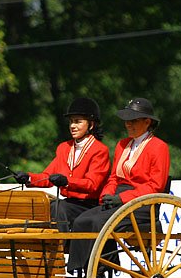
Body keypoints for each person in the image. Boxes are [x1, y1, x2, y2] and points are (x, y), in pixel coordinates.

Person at [66, 97, 170, 278]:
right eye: (127, 120)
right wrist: (107, 195)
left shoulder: (159, 147)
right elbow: (113, 177)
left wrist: (122, 198)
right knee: (81, 220)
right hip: (118, 199)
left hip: (142, 204)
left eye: (134, 120)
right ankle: (81, 271)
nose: (128, 124)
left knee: (99, 223)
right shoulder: (122, 145)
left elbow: (155, 186)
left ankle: (100, 271)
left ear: (147, 122)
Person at [14, 97, 110, 231]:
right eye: (71, 122)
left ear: (91, 125)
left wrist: (67, 182)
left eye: (78, 122)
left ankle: (60, 245)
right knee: (47, 206)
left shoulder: (99, 150)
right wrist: (28, 178)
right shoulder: (64, 148)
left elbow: (92, 185)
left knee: (58, 207)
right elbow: (47, 176)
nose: (72, 126)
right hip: (68, 204)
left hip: (89, 205)